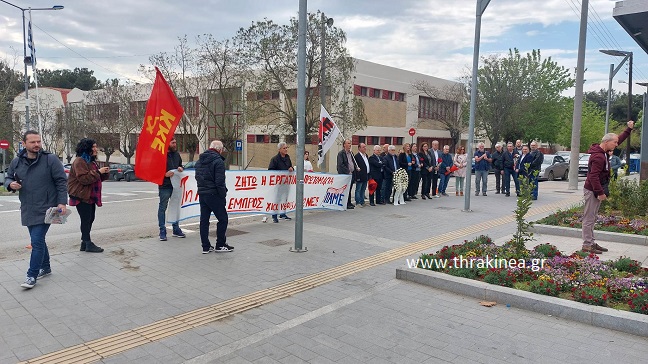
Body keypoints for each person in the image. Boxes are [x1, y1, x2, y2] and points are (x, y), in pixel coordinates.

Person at [5, 131, 67, 289]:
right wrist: (10, 184)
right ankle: (45, 267)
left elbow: (61, 181)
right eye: (32, 142)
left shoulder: (50, 159)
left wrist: (62, 202)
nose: (37, 145)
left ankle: (31, 275)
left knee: (36, 241)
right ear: (24, 144)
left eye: (38, 141)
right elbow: (8, 177)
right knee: (38, 240)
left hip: (48, 208)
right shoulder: (17, 161)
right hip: (27, 207)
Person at [582, 121, 634, 254]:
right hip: (593, 190)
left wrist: (628, 130)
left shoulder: (603, 151)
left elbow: (619, 139)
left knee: (592, 217)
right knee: (589, 218)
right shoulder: (599, 156)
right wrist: (600, 193)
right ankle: (587, 244)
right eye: (614, 143)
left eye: (617, 143)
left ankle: (591, 242)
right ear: (606, 142)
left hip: (596, 188)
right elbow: (593, 176)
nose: (617, 145)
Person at [67, 138, 109, 253]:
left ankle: (84, 243)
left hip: (90, 195)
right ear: (87, 148)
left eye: (96, 146)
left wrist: (104, 173)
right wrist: (99, 172)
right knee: (86, 219)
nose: (96, 149)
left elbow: (96, 177)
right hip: (81, 195)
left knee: (90, 218)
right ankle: (88, 243)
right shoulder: (80, 161)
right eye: (93, 147)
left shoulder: (91, 161)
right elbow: (84, 179)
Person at [195, 140, 233, 253]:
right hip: (214, 194)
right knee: (223, 219)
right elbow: (220, 181)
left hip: (202, 193)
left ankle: (205, 246)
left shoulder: (199, 161)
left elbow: (198, 177)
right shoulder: (218, 161)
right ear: (220, 150)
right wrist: (223, 195)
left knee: (204, 220)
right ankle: (220, 244)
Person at [158, 137, 185, 241]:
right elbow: (155, 172)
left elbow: (180, 166)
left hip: (176, 186)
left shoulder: (177, 155)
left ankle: (176, 228)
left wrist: (181, 168)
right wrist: (164, 175)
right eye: (173, 143)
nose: (175, 145)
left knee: (175, 207)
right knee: (162, 208)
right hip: (165, 186)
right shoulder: (161, 156)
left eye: (175, 143)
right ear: (167, 143)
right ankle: (162, 230)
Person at [268, 142, 294, 222]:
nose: (286, 150)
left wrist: (291, 169)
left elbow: (290, 167)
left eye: (286, 148)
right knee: (277, 199)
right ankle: (274, 215)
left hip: (286, 183)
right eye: (284, 148)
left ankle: (283, 213)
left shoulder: (287, 158)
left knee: (285, 199)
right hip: (278, 184)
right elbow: (270, 171)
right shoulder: (274, 159)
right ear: (279, 150)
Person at [337, 139, 359, 209]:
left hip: (351, 174)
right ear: (344, 145)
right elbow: (341, 164)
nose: (350, 145)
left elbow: (352, 162)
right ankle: (345, 203)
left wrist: (356, 167)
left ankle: (349, 202)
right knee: (346, 189)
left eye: (350, 143)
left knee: (349, 188)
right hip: (345, 174)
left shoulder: (351, 153)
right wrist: (347, 171)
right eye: (348, 143)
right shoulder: (341, 153)